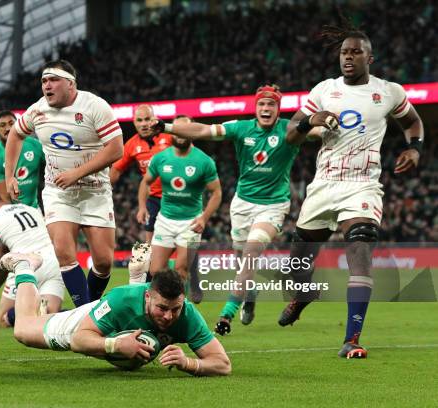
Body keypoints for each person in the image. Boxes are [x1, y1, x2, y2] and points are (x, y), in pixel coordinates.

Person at [279, 25, 424, 358]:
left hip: (363, 185)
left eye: (356, 52)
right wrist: (310, 120)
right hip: (324, 185)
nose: (348, 57)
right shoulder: (324, 89)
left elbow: (413, 122)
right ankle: (302, 295)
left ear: (369, 58)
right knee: (296, 268)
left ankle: (351, 340)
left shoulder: (388, 92)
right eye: (344, 52)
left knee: (359, 249)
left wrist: (414, 148)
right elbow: (290, 134)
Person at [151, 86, 321, 335]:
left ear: (278, 108)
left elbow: (316, 132)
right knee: (243, 261)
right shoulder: (241, 128)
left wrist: (328, 123)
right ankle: (249, 296)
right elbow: (202, 130)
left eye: (271, 105)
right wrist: (166, 127)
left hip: (272, 206)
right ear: (256, 107)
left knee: (251, 254)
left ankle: (226, 315)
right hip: (242, 205)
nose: (266, 109)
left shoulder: (289, 129)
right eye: (262, 104)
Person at [4, 60, 123, 307]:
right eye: (43, 82)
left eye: (53, 80)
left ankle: (89, 306)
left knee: (103, 261)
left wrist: (77, 173)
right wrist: (10, 175)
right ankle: (83, 314)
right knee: (65, 255)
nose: (47, 86)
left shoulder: (95, 106)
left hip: (95, 191)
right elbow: (15, 135)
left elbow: (115, 149)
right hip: (59, 192)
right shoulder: (37, 110)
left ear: (70, 83)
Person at [12, 268, 231, 376]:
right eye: (162, 308)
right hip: (93, 321)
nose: (169, 316)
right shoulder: (121, 301)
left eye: (175, 309)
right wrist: (115, 345)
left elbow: (223, 363)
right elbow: (79, 340)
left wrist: (190, 364)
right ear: (148, 296)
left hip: (119, 329)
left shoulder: (187, 315)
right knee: (22, 330)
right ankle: (24, 268)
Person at [138, 115, 222, 296]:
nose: (181, 134)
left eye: (185, 130)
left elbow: (216, 192)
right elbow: (146, 182)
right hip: (165, 220)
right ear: (171, 132)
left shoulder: (204, 161)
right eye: (177, 130)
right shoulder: (161, 158)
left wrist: (204, 217)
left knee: (181, 269)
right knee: (155, 271)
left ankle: (179, 313)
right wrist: (142, 207)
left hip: (190, 223)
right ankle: (161, 308)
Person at [0, 110, 45, 323]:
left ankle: (41, 299)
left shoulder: (35, 146)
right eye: (3, 125)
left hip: (36, 210)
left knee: (46, 256)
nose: (8, 128)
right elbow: (2, 196)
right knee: (5, 259)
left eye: (11, 123)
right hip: (11, 214)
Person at [0, 190, 64, 327]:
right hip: (53, 261)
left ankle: (33, 308)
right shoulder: (31, 209)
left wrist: (4, 250)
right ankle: (65, 312)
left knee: (3, 319)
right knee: (49, 314)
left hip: (25, 264)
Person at [110, 105, 172, 243]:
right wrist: (104, 190)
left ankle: (188, 262)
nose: (143, 124)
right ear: (134, 122)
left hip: (176, 196)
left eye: (147, 119)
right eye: (139, 120)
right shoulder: (131, 145)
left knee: (182, 240)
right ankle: (152, 263)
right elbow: (116, 169)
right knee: (150, 240)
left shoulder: (169, 137)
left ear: (154, 119)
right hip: (153, 198)